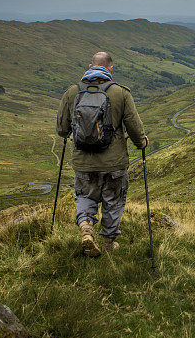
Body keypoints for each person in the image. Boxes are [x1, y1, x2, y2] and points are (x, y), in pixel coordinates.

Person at [56, 51, 148, 257]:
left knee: (85, 196)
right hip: (114, 162)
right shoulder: (120, 93)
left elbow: (62, 129)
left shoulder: (72, 92)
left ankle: (86, 226)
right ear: (110, 69)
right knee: (113, 201)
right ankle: (107, 242)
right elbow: (134, 126)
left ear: (90, 67)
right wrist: (141, 143)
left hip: (83, 162)